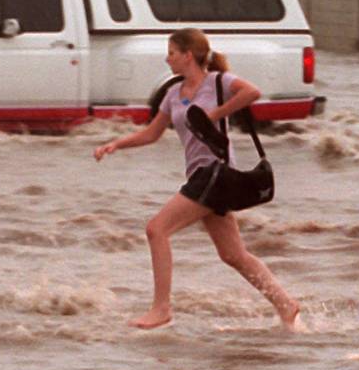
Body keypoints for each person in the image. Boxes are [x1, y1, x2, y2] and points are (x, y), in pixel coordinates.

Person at [93, 28, 300, 330]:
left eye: (172, 53)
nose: (168, 59)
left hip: (215, 173)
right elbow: (152, 133)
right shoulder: (172, 94)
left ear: (188, 55)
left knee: (156, 229)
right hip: (200, 176)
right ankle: (286, 304)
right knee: (232, 254)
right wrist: (115, 145)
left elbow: (251, 92)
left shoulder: (219, 82)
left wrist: (214, 115)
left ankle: (161, 308)